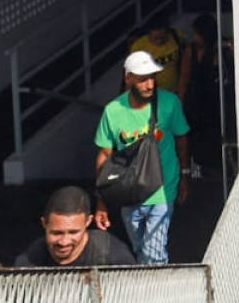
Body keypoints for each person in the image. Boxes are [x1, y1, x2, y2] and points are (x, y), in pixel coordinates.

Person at [94, 50, 191, 265]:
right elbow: (104, 156)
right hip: (129, 194)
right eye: (142, 79)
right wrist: (101, 202)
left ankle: (158, 294)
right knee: (140, 250)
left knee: (153, 253)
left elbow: (181, 138)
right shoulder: (113, 111)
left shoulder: (170, 103)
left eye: (152, 77)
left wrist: (185, 174)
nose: (149, 84)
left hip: (163, 190)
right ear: (127, 78)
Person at [15, 185, 136, 268]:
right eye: (56, 233)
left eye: (73, 232)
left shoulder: (113, 256)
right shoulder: (31, 261)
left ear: (88, 222)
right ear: (44, 224)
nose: (64, 242)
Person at [127, 25, 189, 97]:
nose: (159, 41)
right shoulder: (139, 46)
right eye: (155, 38)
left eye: (163, 38)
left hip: (176, 91)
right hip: (153, 95)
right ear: (149, 34)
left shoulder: (176, 36)